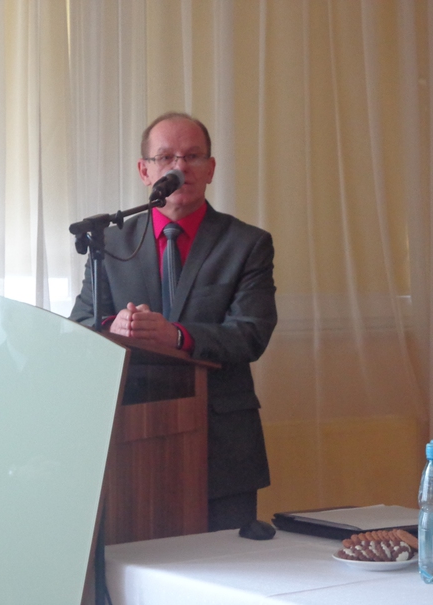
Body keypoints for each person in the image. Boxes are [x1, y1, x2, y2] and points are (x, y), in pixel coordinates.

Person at [69, 111, 277, 531]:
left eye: (192, 156)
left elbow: (250, 333)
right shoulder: (110, 241)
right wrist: (114, 327)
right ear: (145, 171)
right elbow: (81, 324)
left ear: (211, 168)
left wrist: (177, 336)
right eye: (166, 158)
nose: (180, 167)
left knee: (225, 566)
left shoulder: (247, 243)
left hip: (221, 444)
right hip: (131, 436)